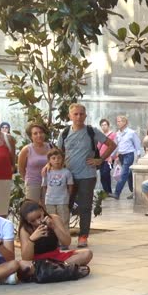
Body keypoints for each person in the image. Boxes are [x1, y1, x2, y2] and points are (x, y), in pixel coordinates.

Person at [58, 103, 117, 248]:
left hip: (87, 175)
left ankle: (83, 236)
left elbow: (112, 145)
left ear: (85, 115)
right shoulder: (64, 133)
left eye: (81, 114)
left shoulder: (92, 131)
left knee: (85, 206)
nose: (78, 117)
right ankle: (63, 237)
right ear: (70, 116)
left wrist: (100, 159)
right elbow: (58, 153)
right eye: (75, 114)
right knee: (65, 206)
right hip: (68, 176)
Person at [17, 200, 91, 271]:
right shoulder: (25, 229)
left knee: (87, 253)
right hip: (38, 262)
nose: (38, 222)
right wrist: (32, 239)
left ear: (42, 211)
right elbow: (26, 258)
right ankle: (60, 268)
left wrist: (54, 227)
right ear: (27, 221)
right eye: (33, 221)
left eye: (39, 216)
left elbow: (67, 242)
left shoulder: (54, 218)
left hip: (56, 257)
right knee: (23, 265)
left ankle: (54, 269)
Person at [111, 115, 143, 200]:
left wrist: (138, 155)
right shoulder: (117, 134)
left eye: (120, 121)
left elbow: (137, 143)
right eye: (117, 121)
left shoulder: (131, 132)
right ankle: (134, 191)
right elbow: (115, 146)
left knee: (123, 174)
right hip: (121, 155)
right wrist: (112, 156)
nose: (118, 123)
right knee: (128, 174)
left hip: (129, 155)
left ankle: (117, 193)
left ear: (125, 122)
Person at [18, 123, 52, 203]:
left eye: (41, 132)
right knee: (33, 207)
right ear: (31, 136)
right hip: (33, 183)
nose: (39, 135)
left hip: (49, 183)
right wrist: (27, 180)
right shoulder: (26, 150)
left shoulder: (50, 147)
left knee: (47, 207)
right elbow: (21, 169)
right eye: (35, 133)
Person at [41, 148, 74, 231]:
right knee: (51, 221)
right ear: (49, 160)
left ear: (62, 159)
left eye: (59, 158)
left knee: (63, 220)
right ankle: (53, 239)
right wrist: (46, 198)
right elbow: (44, 186)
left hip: (62, 201)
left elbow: (70, 186)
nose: (56, 160)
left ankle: (64, 239)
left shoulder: (66, 172)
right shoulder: (47, 172)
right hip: (50, 201)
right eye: (53, 158)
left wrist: (67, 197)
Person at [97, 118, 117, 195]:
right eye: (102, 125)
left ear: (108, 126)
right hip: (101, 158)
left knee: (105, 174)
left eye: (105, 125)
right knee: (102, 175)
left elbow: (115, 146)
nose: (103, 126)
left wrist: (112, 157)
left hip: (108, 158)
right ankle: (107, 191)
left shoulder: (113, 135)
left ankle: (108, 191)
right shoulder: (100, 136)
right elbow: (98, 147)